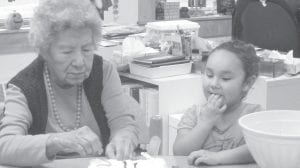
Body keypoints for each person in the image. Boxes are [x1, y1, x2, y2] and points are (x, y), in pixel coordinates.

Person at [0, 0, 141, 166]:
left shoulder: (104, 72)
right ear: (45, 51)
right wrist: (56, 141)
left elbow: (123, 124)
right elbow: (4, 146)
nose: (80, 62)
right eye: (67, 52)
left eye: (87, 50)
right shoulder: (24, 87)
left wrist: (123, 138)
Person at [173, 40, 262, 166]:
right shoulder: (194, 114)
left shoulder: (253, 115)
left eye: (225, 78)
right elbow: (180, 152)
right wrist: (206, 122)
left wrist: (218, 157)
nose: (214, 84)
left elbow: (259, 149)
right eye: (209, 75)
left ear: (247, 83)